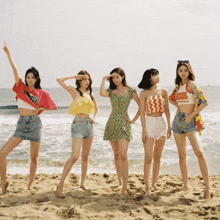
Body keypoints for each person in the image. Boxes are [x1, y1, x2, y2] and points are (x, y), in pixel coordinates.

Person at [0, 41, 58, 194]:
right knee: (2, 152)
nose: (29, 79)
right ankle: (3, 182)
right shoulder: (21, 88)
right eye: (28, 77)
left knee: (34, 157)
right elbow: (15, 69)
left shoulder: (41, 93)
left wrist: (40, 109)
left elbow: (52, 105)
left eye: (32, 77)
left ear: (36, 79)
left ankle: (30, 184)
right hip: (21, 123)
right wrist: (8, 54)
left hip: (34, 124)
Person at [169, 60, 210, 198]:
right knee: (182, 156)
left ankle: (207, 188)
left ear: (189, 71)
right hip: (177, 123)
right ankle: (186, 185)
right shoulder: (178, 87)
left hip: (190, 122)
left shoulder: (191, 85)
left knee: (199, 153)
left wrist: (190, 116)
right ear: (178, 72)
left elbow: (204, 102)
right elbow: (171, 99)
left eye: (185, 70)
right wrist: (179, 109)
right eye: (180, 70)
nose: (183, 73)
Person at [55, 70, 99, 197]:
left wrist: (94, 119)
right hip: (78, 124)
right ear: (79, 80)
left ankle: (83, 183)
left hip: (89, 126)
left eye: (88, 79)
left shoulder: (91, 94)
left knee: (85, 157)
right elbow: (59, 80)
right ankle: (61, 183)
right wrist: (74, 76)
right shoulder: (74, 92)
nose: (87, 81)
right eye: (84, 79)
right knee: (75, 156)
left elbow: (96, 109)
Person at [100, 67, 139, 194]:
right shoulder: (111, 91)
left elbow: (141, 105)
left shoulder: (131, 89)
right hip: (112, 123)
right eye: (113, 78)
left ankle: (125, 187)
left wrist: (133, 120)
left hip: (124, 123)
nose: (115, 80)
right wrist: (103, 79)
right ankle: (120, 183)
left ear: (122, 76)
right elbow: (101, 93)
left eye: (117, 77)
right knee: (116, 154)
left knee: (123, 154)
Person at [138, 68, 171, 195]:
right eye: (155, 75)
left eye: (157, 74)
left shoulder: (164, 91)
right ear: (149, 77)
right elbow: (141, 113)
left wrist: (168, 126)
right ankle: (147, 187)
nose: (158, 76)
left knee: (158, 156)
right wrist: (143, 130)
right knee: (148, 157)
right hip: (149, 123)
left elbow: (167, 110)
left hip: (161, 123)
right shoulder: (144, 93)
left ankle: (154, 183)